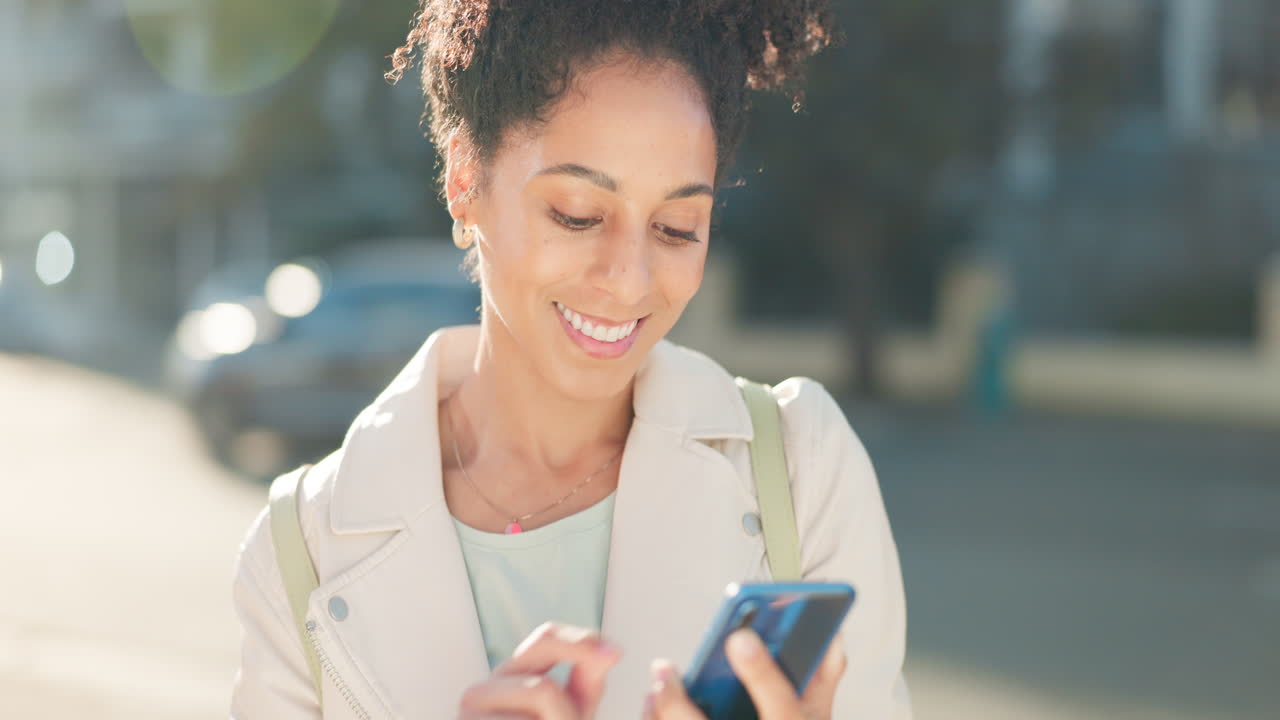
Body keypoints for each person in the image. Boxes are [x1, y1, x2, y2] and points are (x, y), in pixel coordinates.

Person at [230, 1, 912, 718]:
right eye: (579, 215)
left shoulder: (804, 469)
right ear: (465, 179)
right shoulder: (297, 556)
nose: (629, 279)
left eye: (679, 228)